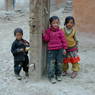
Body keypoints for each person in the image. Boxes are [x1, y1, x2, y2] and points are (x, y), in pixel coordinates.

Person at [43, 16, 67, 84]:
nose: (56, 24)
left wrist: (65, 49)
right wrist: (44, 34)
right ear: (50, 24)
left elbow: (64, 40)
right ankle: (51, 77)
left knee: (59, 63)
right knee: (51, 64)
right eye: (54, 23)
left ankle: (58, 75)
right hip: (51, 51)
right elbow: (46, 40)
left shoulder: (60, 31)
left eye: (57, 22)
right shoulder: (48, 31)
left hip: (60, 50)